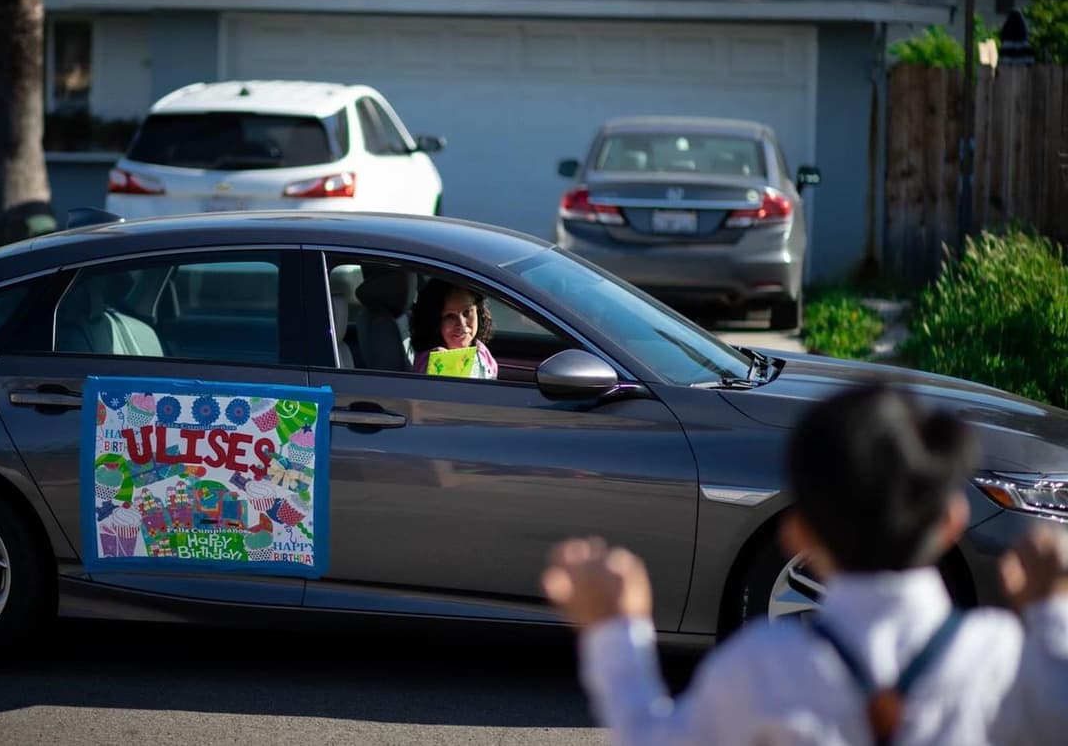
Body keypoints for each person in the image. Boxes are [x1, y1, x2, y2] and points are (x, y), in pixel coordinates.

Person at [542, 383, 1068, 745]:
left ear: (799, 532)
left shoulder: (762, 664)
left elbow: (653, 736)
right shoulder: (1002, 658)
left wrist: (615, 631)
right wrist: (1052, 614)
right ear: (951, 520)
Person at [408, 279, 499, 379]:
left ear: (478, 311)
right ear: (434, 321)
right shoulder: (437, 362)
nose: (462, 324)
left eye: (467, 312)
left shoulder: (480, 348)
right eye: (450, 316)